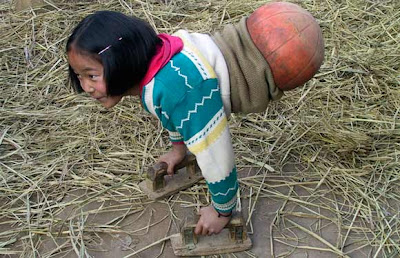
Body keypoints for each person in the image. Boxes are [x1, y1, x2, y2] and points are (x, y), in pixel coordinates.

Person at [66, 7, 323, 236]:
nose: (85, 87)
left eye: (92, 75)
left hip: (277, 53)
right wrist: (179, 150)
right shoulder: (158, 60)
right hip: (268, 25)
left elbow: (215, 150)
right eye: (79, 76)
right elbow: (173, 113)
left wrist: (223, 210)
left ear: (121, 62)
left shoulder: (179, 90)